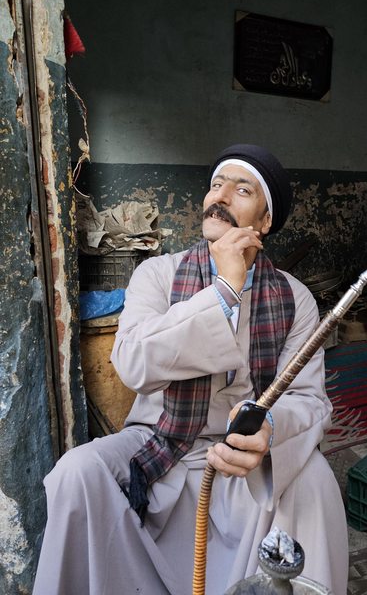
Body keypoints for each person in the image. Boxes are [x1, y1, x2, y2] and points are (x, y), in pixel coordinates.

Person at [33, 144, 349, 595]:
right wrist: (224, 292)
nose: (221, 195)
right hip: (159, 442)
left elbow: (309, 399)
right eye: (216, 184)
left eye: (242, 190)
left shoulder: (294, 298)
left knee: (315, 478)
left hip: (240, 461)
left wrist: (269, 431)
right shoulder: (158, 275)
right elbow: (133, 364)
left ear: (264, 222)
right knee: (76, 473)